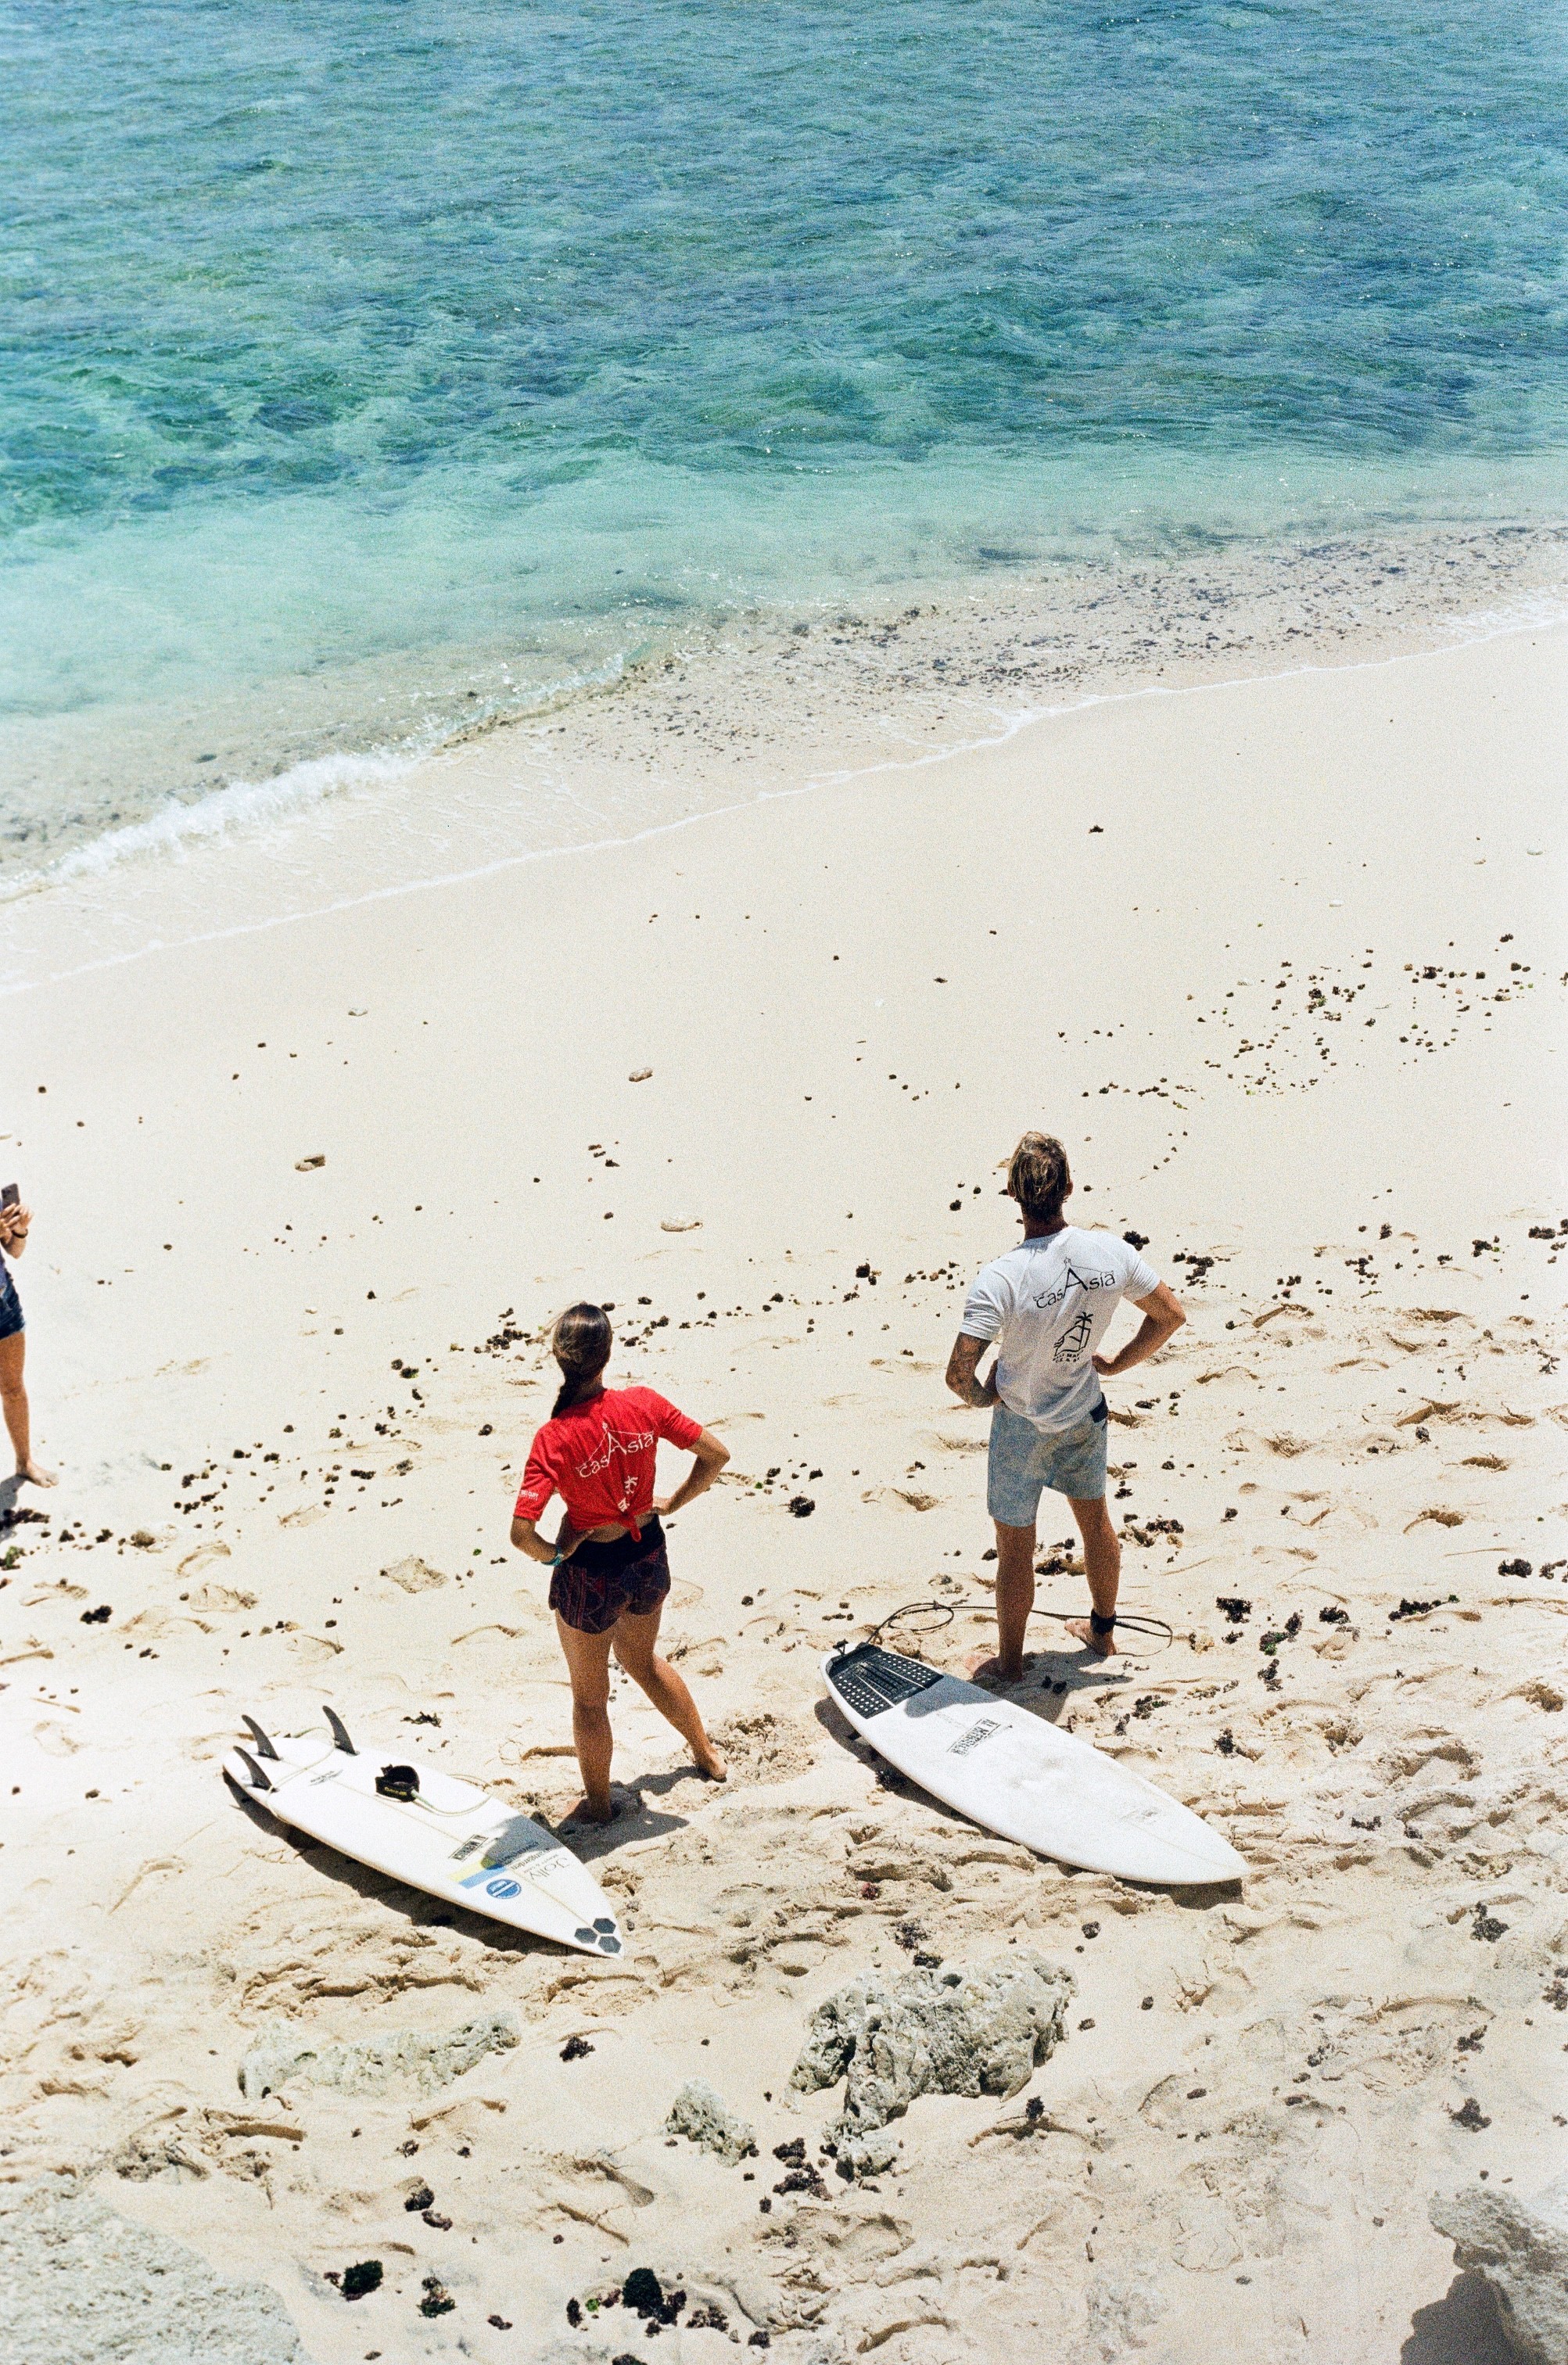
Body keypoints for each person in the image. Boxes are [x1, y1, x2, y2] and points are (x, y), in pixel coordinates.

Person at [945, 1132, 1184, 1677]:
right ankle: (1101, 1635)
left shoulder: (1000, 1278)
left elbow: (959, 1375)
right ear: (1069, 1188)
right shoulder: (1110, 1252)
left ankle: (1008, 1663)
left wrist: (988, 1396)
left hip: (1021, 1425)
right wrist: (1118, 1363)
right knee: (1095, 1523)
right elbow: (1168, 1314)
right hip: (1083, 1412)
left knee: (1014, 1546)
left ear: (1013, 1196)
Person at [510, 1303, 729, 1824]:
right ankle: (706, 1755)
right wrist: (671, 1503)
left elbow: (522, 1535)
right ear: (607, 1354)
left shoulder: (554, 1436)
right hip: (647, 1555)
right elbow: (715, 1456)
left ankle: (600, 1806)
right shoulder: (643, 1403)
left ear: (558, 1359)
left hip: (593, 1574)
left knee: (590, 1699)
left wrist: (558, 1555)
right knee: (644, 1661)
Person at [0, 1196, 53, 1489]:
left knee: (13, 1389)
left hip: (3, 1305)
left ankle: (24, 1462)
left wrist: (19, 1231)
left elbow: (14, 1251)